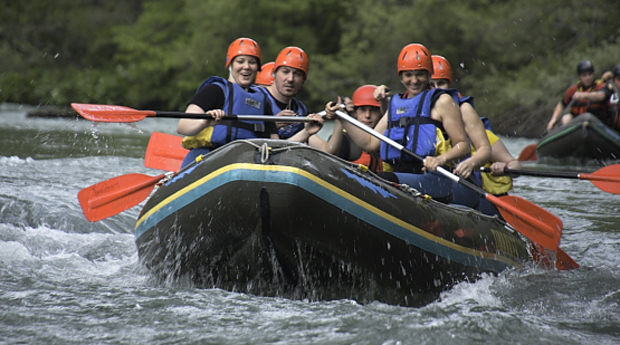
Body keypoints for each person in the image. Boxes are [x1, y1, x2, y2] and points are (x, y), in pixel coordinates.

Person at [327, 43, 479, 208]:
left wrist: (440, 159)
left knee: (382, 179)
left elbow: (463, 146)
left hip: (435, 178)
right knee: (374, 177)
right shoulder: (395, 105)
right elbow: (370, 143)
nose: (414, 80)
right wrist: (342, 117)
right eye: (408, 75)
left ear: (429, 74)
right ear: (401, 77)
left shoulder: (443, 102)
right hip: (402, 176)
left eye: (420, 74)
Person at [177, 37, 279, 168]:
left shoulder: (263, 101)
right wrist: (205, 121)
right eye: (240, 61)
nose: (246, 67)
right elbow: (183, 126)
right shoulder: (215, 90)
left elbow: (275, 142)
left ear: (258, 68)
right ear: (230, 64)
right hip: (208, 156)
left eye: (252, 62)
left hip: (247, 162)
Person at [429, 55, 522, 198]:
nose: (436, 89)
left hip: (473, 190)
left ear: (450, 84)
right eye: (431, 84)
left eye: (441, 83)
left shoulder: (467, 118)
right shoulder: (422, 119)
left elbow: (515, 165)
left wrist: (504, 167)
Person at [258, 46, 324, 144]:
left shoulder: (301, 109)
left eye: (297, 74)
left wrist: (340, 120)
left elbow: (328, 150)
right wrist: (271, 126)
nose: (290, 79)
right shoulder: (254, 96)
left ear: (303, 80)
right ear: (274, 73)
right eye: (285, 72)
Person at [317, 85, 385, 171]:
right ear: (355, 112)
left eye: (374, 110)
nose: (367, 115)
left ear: (381, 113)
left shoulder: (388, 137)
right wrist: (340, 117)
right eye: (363, 110)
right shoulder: (344, 140)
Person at [546, 60, 613, 131]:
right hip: (579, 125)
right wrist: (553, 119)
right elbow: (562, 104)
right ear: (579, 77)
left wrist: (585, 95)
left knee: (587, 117)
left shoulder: (601, 86)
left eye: (590, 74)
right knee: (566, 118)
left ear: (594, 74)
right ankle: (571, 138)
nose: (588, 77)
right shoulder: (573, 90)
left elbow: (601, 96)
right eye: (584, 75)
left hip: (598, 124)